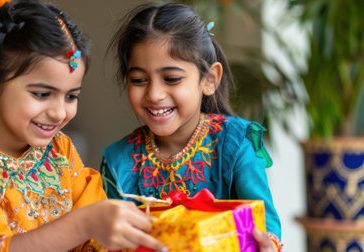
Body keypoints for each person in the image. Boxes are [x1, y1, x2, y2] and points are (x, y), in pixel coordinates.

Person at [0, 0, 168, 251]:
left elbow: (95, 242)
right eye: (42, 94)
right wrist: (83, 224)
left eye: (71, 96)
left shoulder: (61, 150)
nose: (59, 113)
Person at [101, 2, 283, 251]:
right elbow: (108, 240)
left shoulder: (236, 143)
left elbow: (264, 228)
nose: (154, 94)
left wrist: (268, 244)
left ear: (209, 80)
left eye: (172, 79)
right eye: (139, 80)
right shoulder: (118, 161)